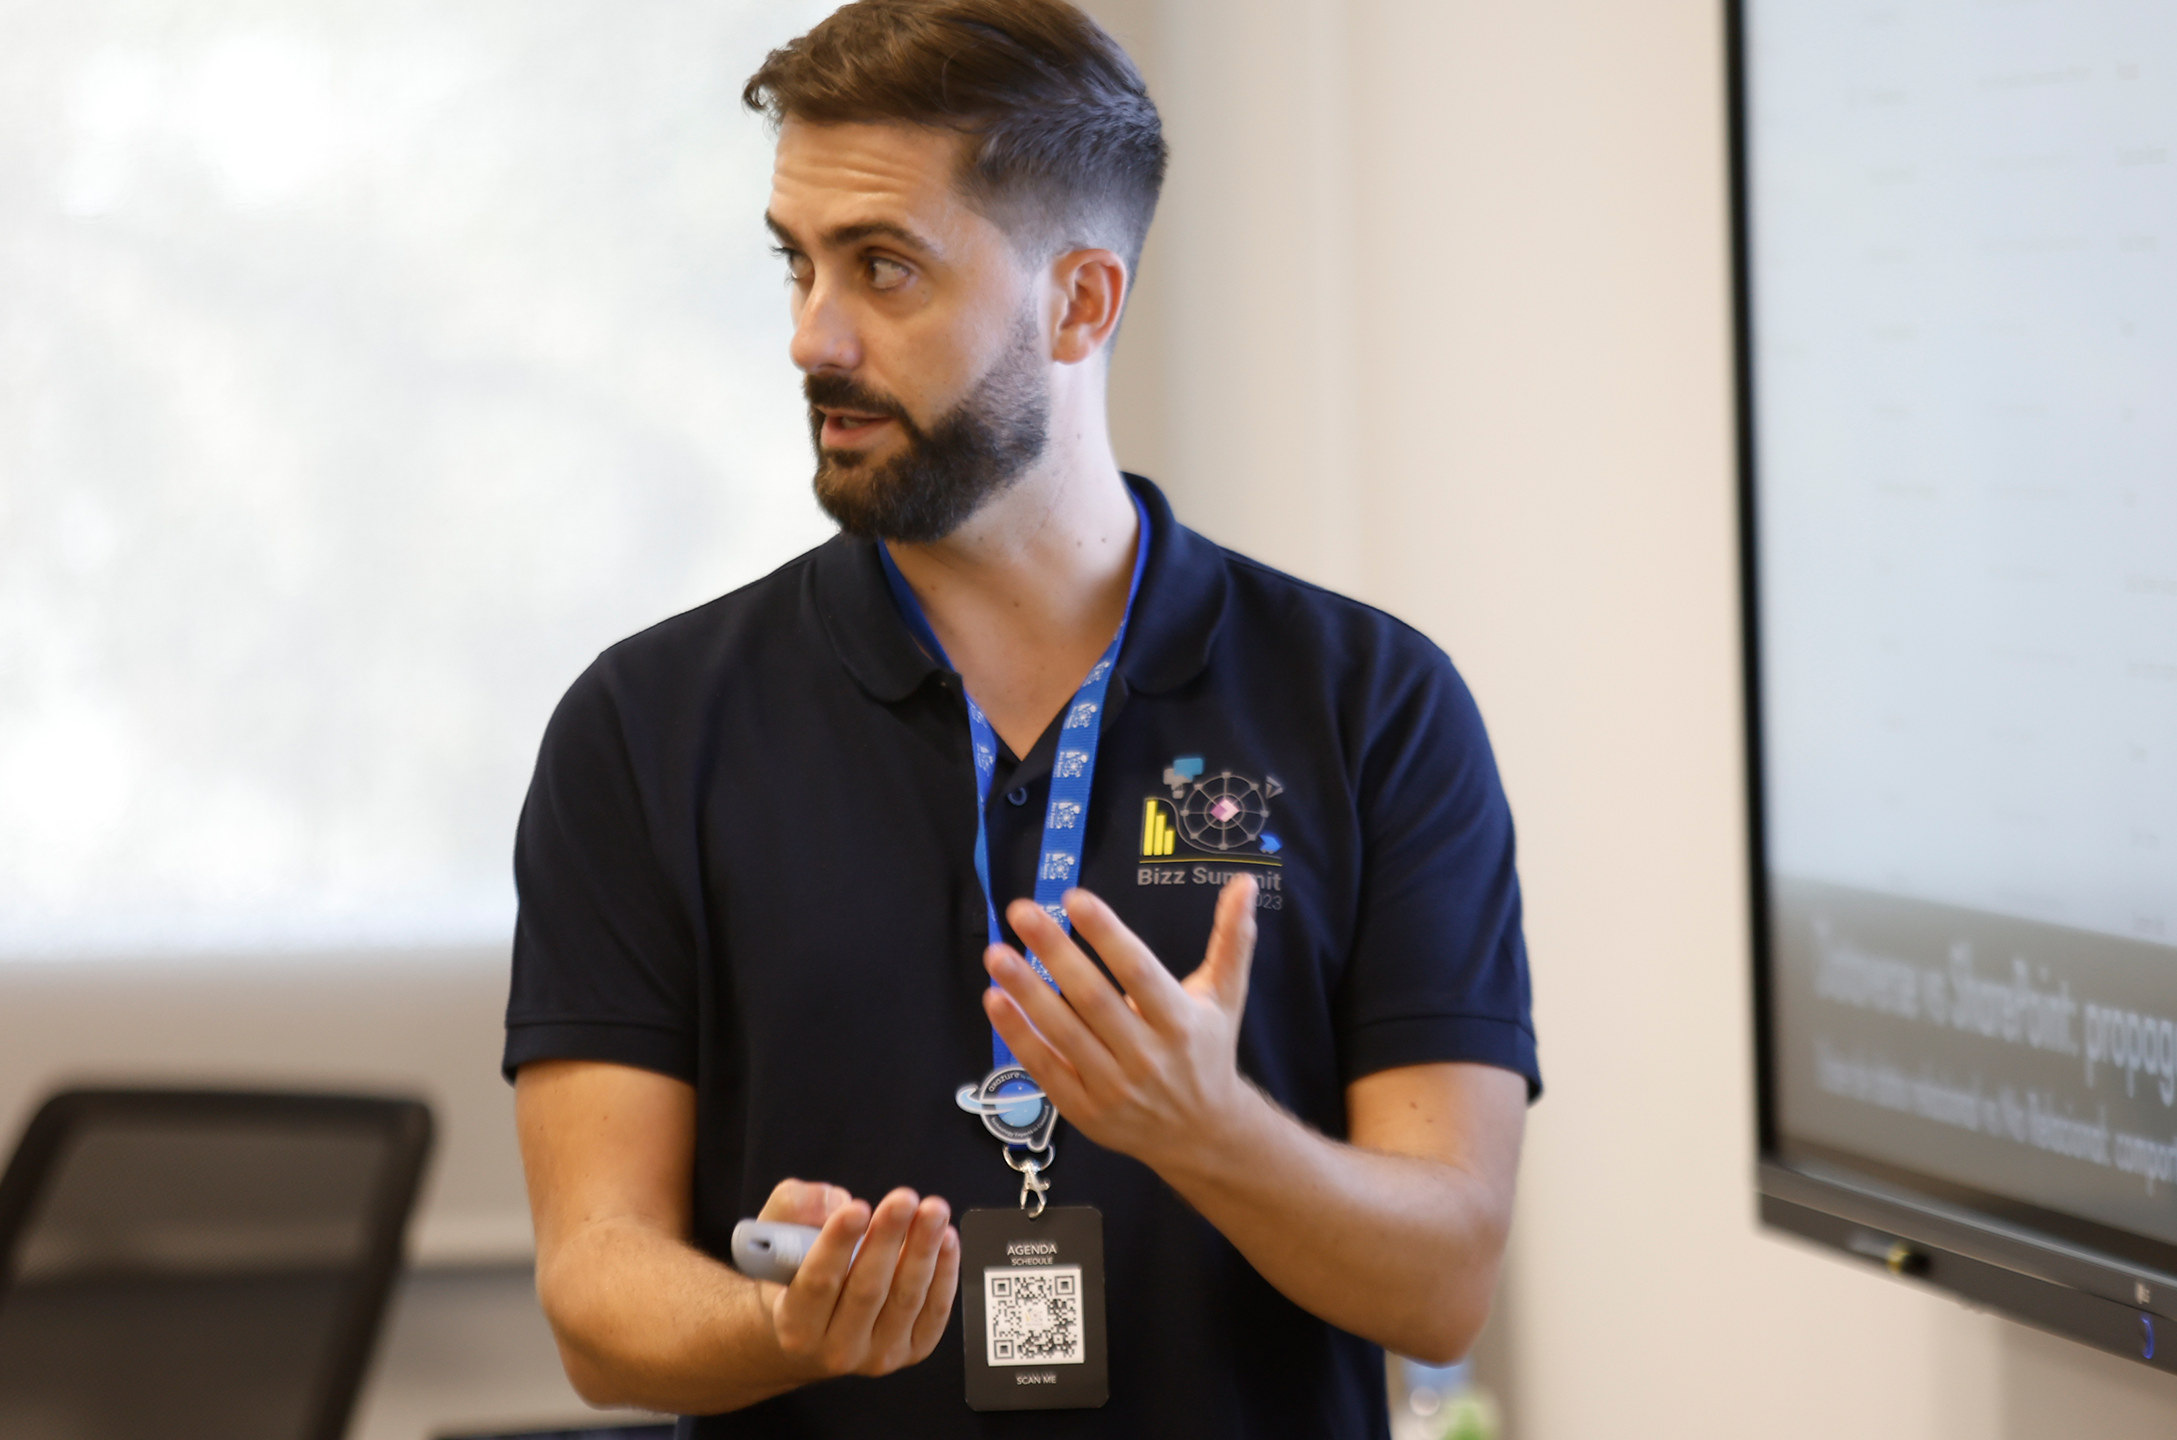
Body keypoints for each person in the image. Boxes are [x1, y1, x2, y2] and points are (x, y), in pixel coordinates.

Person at [504, 2, 1537, 1434]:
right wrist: (788, 1323)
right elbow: (597, 1298)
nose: (815, 336)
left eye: (883, 269)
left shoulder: (1375, 708)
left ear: (1081, 303)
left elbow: (1443, 1283)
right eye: (796, 265)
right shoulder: (645, 727)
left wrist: (1211, 1132)